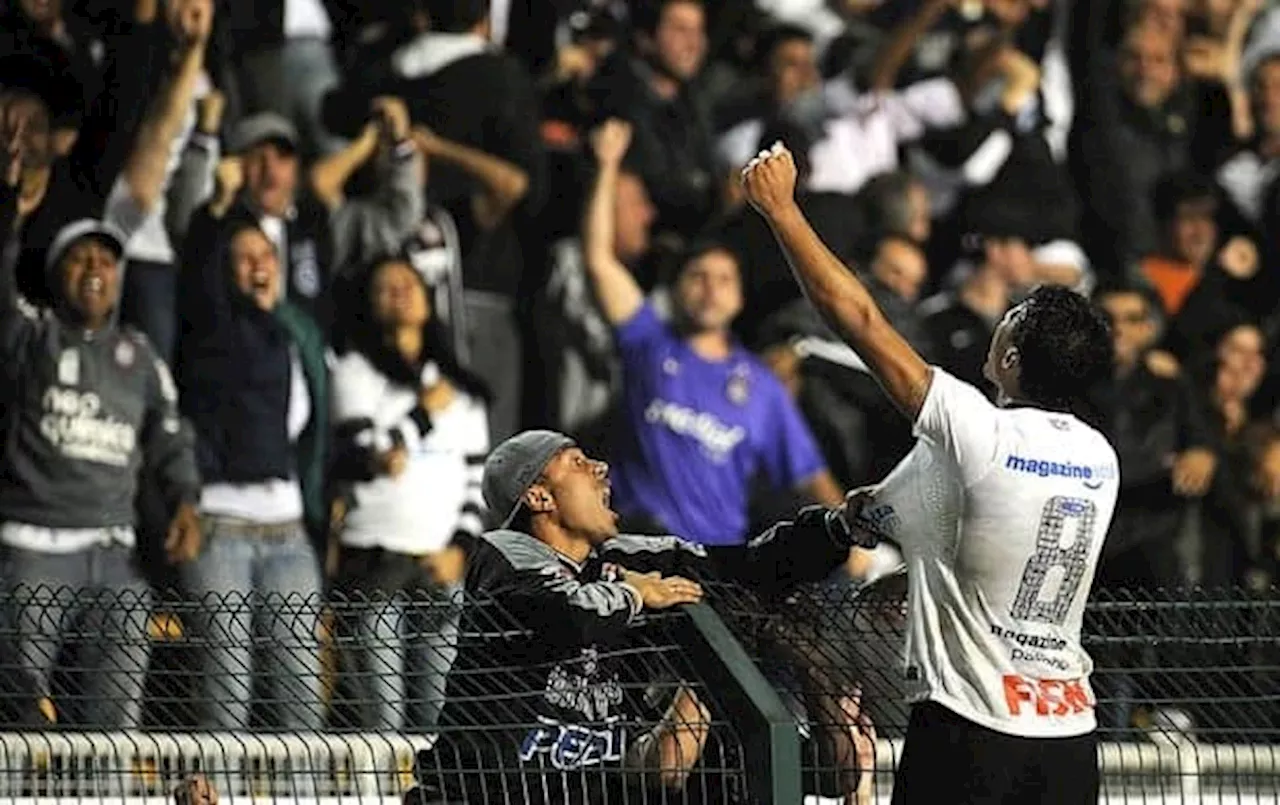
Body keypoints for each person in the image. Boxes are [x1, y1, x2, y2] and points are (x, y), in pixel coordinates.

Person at [741, 144, 1118, 803]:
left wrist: (781, 210)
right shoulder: (1099, 457)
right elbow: (988, 523)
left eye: (1016, 314)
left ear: (1011, 353)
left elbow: (857, 318)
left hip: (973, 726)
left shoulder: (978, 430)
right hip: (1069, 732)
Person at [420, 429, 873, 803]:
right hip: (477, 794)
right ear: (538, 496)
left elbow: (744, 566)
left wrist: (837, 528)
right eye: (577, 463)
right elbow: (568, 614)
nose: (602, 469)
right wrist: (634, 594)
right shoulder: (504, 552)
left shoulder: (622, 556)